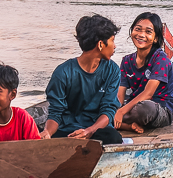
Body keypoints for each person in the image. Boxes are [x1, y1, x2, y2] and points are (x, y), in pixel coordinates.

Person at [40, 14, 123, 145]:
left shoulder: (112, 70)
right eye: (112, 40)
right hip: (68, 131)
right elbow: (56, 112)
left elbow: (108, 109)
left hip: (96, 129)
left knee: (113, 137)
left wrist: (89, 130)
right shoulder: (63, 72)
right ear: (101, 45)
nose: (115, 46)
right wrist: (47, 132)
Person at [114, 12, 173, 134]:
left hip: (159, 110)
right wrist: (114, 108)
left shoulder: (161, 59)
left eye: (148, 32)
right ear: (132, 31)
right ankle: (123, 124)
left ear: (156, 38)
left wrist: (120, 112)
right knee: (104, 104)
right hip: (132, 107)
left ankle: (114, 122)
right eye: (138, 29)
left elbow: (148, 94)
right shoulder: (126, 60)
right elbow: (120, 95)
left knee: (144, 109)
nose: (141, 35)